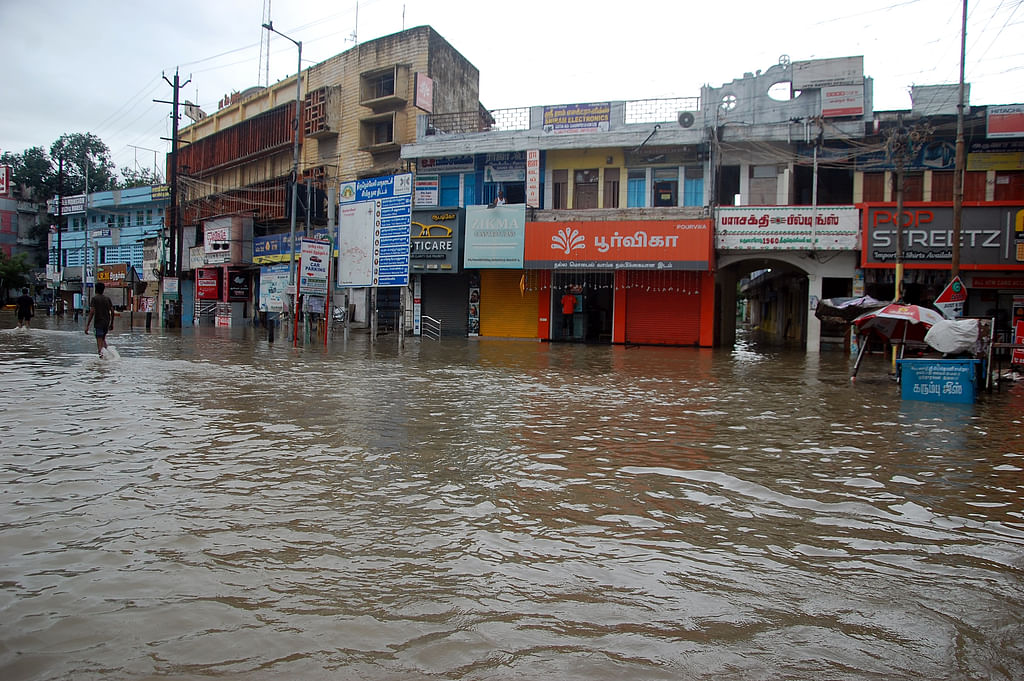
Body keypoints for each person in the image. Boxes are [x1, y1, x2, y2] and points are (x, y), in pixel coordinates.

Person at [84, 283, 115, 356]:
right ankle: (110, 355)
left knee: (99, 343)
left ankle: (102, 360)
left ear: (96, 289)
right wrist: (112, 323)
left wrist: (87, 325)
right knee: (103, 339)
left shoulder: (94, 299)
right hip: (106, 323)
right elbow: (112, 311)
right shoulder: (107, 299)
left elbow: (91, 312)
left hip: (98, 323)